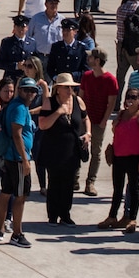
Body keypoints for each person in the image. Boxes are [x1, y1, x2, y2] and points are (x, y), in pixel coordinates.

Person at [0, 77, 39, 247]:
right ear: (20, 91)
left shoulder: (18, 106)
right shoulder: (18, 107)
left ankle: (0, 230)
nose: (30, 94)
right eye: (27, 90)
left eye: (33, 91)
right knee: (20, 196)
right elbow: (17, 134)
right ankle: (17, 234)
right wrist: (25, 160)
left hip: (10, 157)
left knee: (6, 193)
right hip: (17, 159)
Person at [37, 72, 89, 225]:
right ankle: (53, 215)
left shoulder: (78, 101)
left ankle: (65, 214)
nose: (69, 90)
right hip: (54, 150)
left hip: (72, 150)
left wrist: (88, 133)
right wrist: (58, 112)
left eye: (71, 87)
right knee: (54, 182)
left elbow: (86, 119)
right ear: (58, 88)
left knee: (69, 183)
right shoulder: (50, 103)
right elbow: (42, 124)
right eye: (66, 87)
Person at [81, 49, 120, 196]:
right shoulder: (86, 76)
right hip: (85, 120)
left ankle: (90, 182)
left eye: (91, 57)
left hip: (99, 121)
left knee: (95, 152)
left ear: (97, 60)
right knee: (78, 148)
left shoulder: (110, 80)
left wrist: (104, 120)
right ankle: (75, 179)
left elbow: (111, 103)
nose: (88, 59)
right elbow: (81, 97)